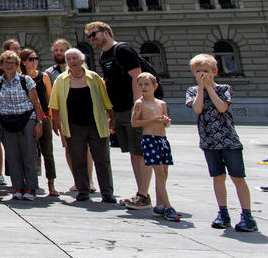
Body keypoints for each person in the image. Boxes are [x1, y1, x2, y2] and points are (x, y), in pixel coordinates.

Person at [186, 53, 257, 232]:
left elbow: (222, 107)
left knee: (238, 177)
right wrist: (201, 88)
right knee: (218, 177)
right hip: (209, 141)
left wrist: (210, 87)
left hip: (228, 140)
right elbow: (197, 108)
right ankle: (223, 212)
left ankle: (247, 215)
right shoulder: (192, 91)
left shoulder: (224, 88)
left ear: (215, 71)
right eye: (199, 71)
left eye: (206, 71)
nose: (203, 74)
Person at [86, 21, 152, 210]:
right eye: (90, 36)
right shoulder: (103, 55)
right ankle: (141, 193)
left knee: (140, 151)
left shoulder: (122, 50)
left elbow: (137, 77)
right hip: (120, 109)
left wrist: (137, 106)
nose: (92, 39)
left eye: (94, 34)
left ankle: (144, 195)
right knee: (133, 151)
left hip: (132, 109)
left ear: (106, 32)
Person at [49, 48, 116, 203]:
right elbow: (55, 104)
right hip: (73, 125)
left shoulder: (94, 78)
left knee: (102, 159)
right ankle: (83, 190)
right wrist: (55, 123)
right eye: (69, 59)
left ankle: (107, 192)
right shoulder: (61, 79)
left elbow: (105, 100)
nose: (72, 62)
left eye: (74, 58)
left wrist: (112, 118)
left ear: (82, 60)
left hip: (96, 124)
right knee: (78, 159)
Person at [0, 50, 44, 201]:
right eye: (6, 63)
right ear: (1, 65)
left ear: (17, 65)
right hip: (6, 121)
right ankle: (17, 187)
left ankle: (30, 187)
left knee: (28, 155)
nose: (9, 65)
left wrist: (39, 122)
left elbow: (36, 102)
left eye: (12, 63)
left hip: (26, 119)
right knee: (12, 156)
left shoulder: (25, 80)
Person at [45, 39, 92, 192]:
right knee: (69, 148)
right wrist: (54, 118)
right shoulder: (50, 73)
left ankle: (89, 180)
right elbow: (52, 98)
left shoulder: (84, 70)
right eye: (56, 50)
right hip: (64, 116)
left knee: (86, 148)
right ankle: (78, 180)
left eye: (62, 50)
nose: (59, 53)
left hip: (83, 114)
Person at [131, 72, 179, 222]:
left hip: (162, 139)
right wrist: (152, 119)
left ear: (155, 86)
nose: (143, 87)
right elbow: (134, 123)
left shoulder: (161, 104)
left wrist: (166, 121)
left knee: (164, 173)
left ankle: (160, 205)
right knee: (159, 172)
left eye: (146, 84)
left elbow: (167, 124)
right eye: (140, 85)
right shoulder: (139, 103)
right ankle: (168, 206)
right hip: (149, 139)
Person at [20, 48, 58, 196]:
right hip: (26, 119)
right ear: (23, 62)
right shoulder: (20, 78)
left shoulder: (44, 76)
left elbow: (50, 97)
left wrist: (50, 117)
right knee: (29, 153)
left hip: (43, 117)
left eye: (36, 58)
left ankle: (51, 185)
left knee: (48, 152)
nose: (34, 61)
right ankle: (30, 182)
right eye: (31, 59)